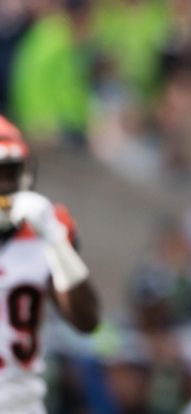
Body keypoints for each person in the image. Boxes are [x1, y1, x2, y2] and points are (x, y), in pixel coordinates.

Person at [0, 115, 99, 414]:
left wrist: (56, 241)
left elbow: (86, 320)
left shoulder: (44, 228)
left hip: (22, 402)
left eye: (8, 172)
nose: (3, 185)